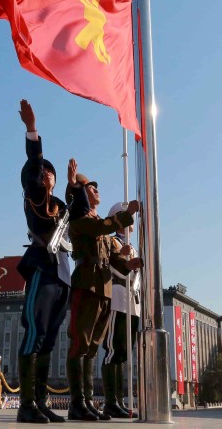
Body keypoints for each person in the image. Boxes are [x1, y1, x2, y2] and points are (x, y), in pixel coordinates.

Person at [15, 99, 81, 424]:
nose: (47, 175)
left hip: (62, 275)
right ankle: (26, 405)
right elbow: (33, 166)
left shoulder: (59, 205)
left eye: (50, 173)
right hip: (42, 265)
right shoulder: (34, 194)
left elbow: (75, 213)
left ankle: (40, 402)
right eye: (46, 172)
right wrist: (31, 130)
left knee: (50, 339)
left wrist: (72, 185)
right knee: (35, 333)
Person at [65, 173, 142, 421]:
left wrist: (132, 264)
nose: (96, 189)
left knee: (91, 347)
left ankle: (87, 402)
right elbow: (103, 227)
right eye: (90, 188)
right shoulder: (80, 220)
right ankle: (77, 403)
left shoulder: (100, 225)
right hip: (86, 284)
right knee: (80, 343)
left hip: (103, 289)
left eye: (97, 187)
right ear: (79, 194)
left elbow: (114, 259)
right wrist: (128, 212)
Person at [100, 201, 141, 418]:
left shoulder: (132, 246)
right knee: (113, 350)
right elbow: (111, 268)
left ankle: (119, 400)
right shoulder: (112, 241)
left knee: (124, 353)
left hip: (132, 302)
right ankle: (110, 401)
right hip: (117, 298)